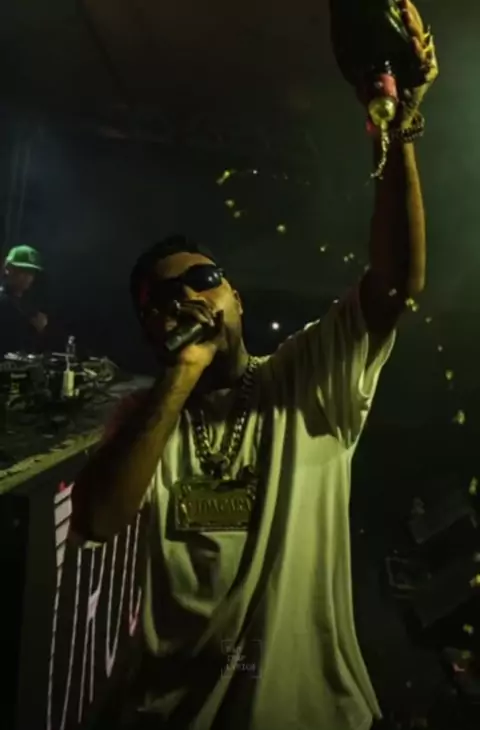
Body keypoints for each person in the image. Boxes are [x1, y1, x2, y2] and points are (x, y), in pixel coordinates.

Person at [70, 2, 438, 728]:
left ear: (236, 296)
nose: (187, 299)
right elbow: (99, 519)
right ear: (148, 327)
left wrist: (396, 130)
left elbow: (396, 283)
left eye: (202, 280)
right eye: (163, 300)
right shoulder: (145, 421)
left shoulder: (304, 377)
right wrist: (183, 372)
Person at [0, 245, 48, 357]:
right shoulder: (3, 301)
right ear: (8, 269)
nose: (28, 277)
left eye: (31, 272)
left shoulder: (27, 304)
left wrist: (39, 329)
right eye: (22, 271)